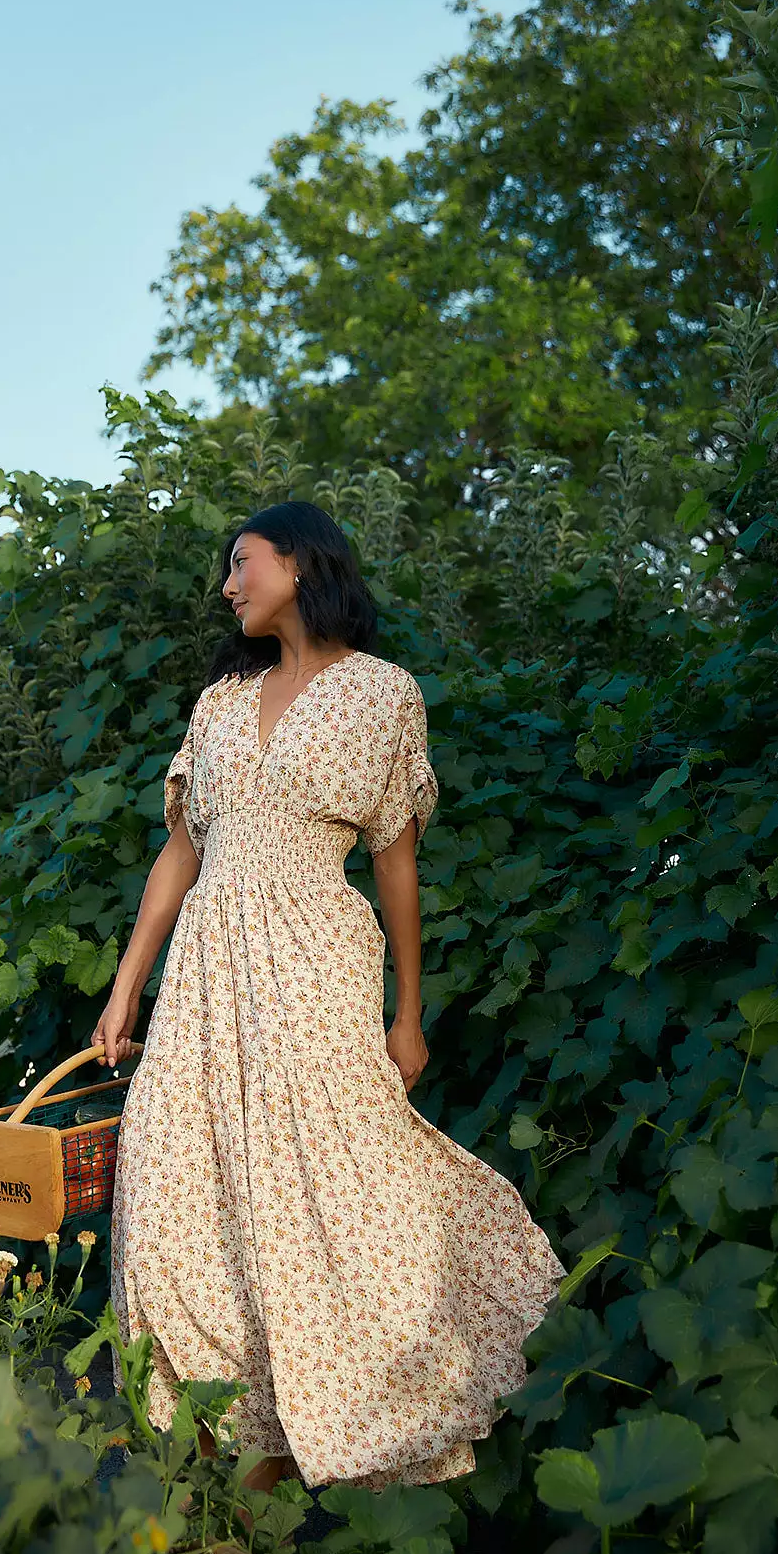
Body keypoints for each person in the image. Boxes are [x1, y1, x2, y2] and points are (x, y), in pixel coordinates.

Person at [95, 500, 564, 1495]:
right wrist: (126, 986)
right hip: (209, 969)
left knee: (324, 1182)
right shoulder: (219, 702)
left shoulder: (384, 695)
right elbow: (180, 848)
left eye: (242, 562)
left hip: (315, 959)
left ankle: (354, 1413)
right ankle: (227, 1452)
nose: (228, 585)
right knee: (173, 1182)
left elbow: (395, 861)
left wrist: (407, 1011)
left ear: (301, 564)